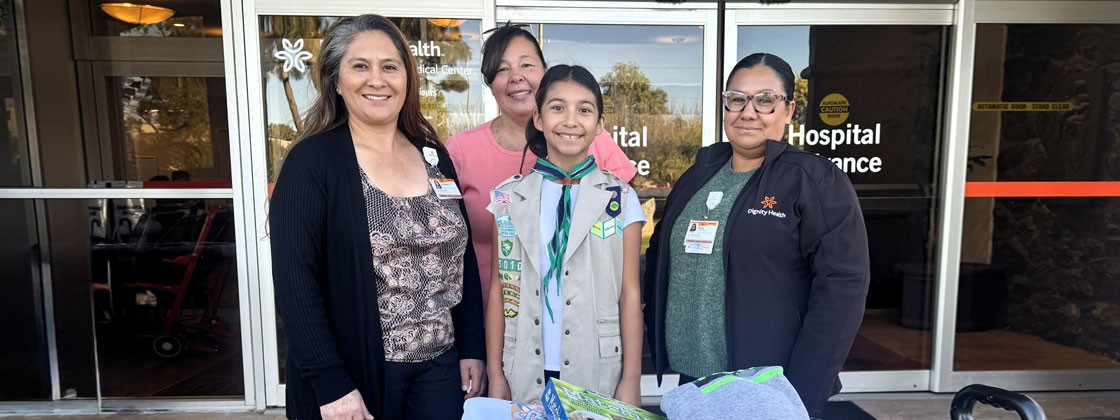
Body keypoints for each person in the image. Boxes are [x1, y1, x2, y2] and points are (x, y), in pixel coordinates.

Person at [270, 14, 484, 420]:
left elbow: (462, 258)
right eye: (360, 66)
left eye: (390, 66)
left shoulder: (432, 155)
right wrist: (331, 383)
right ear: (335, 80)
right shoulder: (313, 162)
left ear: (407, 78)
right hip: (357, 375)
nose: (377, 79)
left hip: (440, 367)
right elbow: (295, 283)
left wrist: (472, 347)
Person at [642, 53, 870, 419]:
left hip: (764, 388)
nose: (748, 112)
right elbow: (659, 256)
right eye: (737, 98)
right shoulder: (698, 174)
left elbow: (843, 288)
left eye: (765, 100)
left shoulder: (813, 179)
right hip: (694, 380)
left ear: (789, 109)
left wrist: (801, 395)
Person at [484, 65, 644, 407]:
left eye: (584, 110)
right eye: (557, 107)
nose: (570, 121)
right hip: (523, 366)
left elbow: (629, 293)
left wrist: (631, 378)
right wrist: (496, 373)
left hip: (598, 368)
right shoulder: (507, 198)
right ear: (539, 119)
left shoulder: (620, 198)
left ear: (599, 124)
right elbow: (499, 287)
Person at [446, 24, 637, 310]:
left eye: (527, 64)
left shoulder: (586, 138)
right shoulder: (460, 150)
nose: (516, 77)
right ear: (489, 82)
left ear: (545, 71)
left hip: (581, 322)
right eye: (502, 69)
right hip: (493, 317)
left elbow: (623, 224)